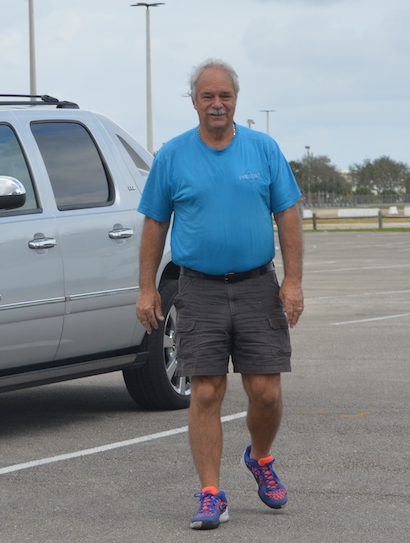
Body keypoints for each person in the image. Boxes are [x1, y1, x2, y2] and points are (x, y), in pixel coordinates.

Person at [136, 59, 304, 531]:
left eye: (224, 96)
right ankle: (211, 494)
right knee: (206, 391)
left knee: (266, 393)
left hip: (257, 286)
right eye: (208, 96)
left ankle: (261, 458)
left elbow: (288, 213)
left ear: (235, 100)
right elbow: (154, 221)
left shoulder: (263, 150)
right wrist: (147, 287)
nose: (217, 104)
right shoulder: (172, 155)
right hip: (199, 290)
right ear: (194, 102)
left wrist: (292, 280)